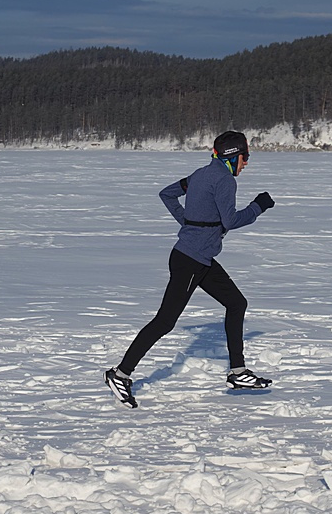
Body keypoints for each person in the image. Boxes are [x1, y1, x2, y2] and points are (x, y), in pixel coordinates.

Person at [105, 131, 275, 408]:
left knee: (236, 303)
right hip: (191, 260)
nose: (247, 163)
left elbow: (168, 194)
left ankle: (238, 372)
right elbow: (230, 221)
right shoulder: (224, 180)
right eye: (246, 157)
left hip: (199, 257)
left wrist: (191, 223)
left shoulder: (200, 174)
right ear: (234, 156)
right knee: (164, 322)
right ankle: (120, 374)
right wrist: (258, 207)